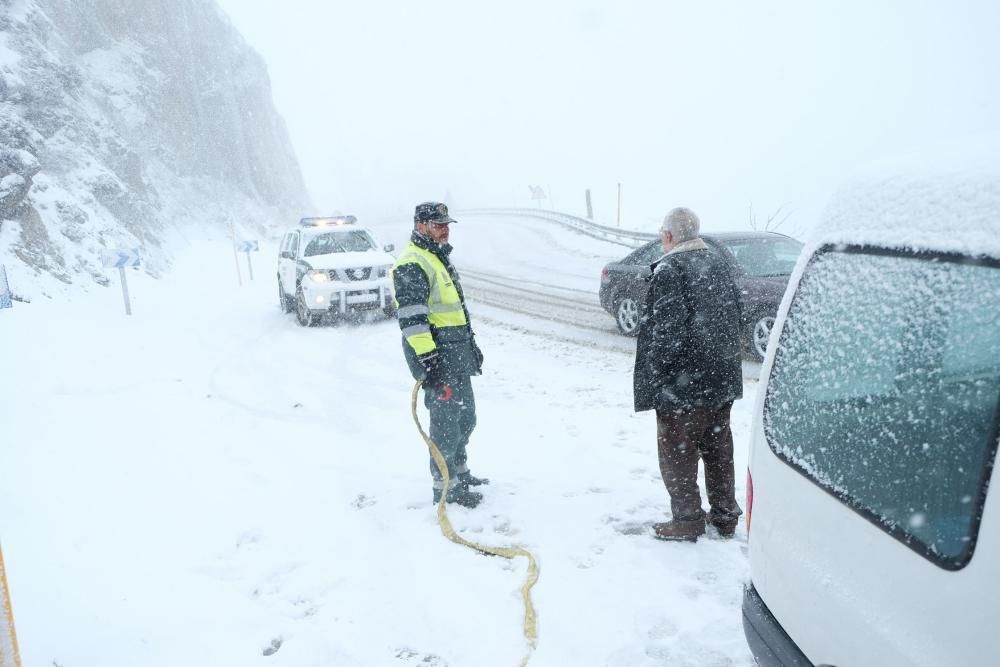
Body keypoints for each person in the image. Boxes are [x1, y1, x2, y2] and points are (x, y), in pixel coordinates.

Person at [633, 207, 744, 541]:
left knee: (678, 453)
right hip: (721, 379)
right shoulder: (719, 263)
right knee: (718, 449)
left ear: (668, 236)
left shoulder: (670, 269)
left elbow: (666, 333)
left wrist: (658, 378)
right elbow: (735, 314)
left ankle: (687, 520)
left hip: (683, 386)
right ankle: (725, 516)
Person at [392, 202, 487, 508]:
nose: (445, 228)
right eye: (438, 224)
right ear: (420, 225)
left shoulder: (437, 257)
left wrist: (470, 347)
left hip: (456, 355)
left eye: (447, 223)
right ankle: (446, 489)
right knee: (446, 425)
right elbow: (412, 319)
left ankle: (459, 471)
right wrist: (429, 360)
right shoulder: (413, 263)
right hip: (437, 360)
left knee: (465, 418)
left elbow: (453, 314)